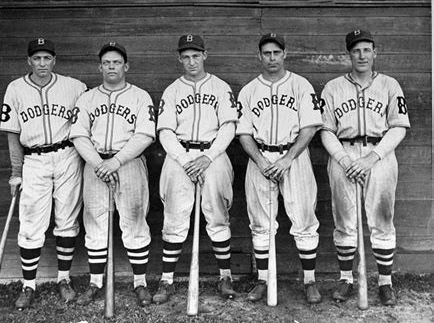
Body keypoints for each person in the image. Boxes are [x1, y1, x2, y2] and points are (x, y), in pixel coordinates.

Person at [320, 29, 410, 306]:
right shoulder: (333, 87)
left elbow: (398, 128)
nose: (362, 55)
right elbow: (325, 130)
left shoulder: (389, 85)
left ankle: (385, 282)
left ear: (375, 52)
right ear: (348, 54)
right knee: (344, 219)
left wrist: (372, 158)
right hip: (343, 153)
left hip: (379, 155)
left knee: (382, 219)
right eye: (356, 50)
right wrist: (345, 160)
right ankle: (346, 279)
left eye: (366, 49)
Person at [0, 38, 87, 309]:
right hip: (34, 159)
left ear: (54, 60)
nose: (42, 64)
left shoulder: (74, 87)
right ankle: (28, 285)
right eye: (36, 58)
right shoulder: (15, 89)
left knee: (67, 220)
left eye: (46, 58)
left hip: (67, 155)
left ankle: (63, 279)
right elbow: (13, 135)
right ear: (28, 61)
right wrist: (16, 172)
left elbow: (90, 120)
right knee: (30, 224)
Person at [236, 33, 323, 304]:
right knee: (260, 223)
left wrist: (287, 158)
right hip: (260, 158)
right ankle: (263, 279)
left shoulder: (300, 85)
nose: (272, 58)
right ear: (259, 56)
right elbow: (243, 133)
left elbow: (310, 127)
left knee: (305, 219)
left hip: (294, 158)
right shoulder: (249, 90)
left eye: (276, 52)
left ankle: (309, 281)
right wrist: (261, 161)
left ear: (285, 54)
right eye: (266, 53)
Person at [152, 34, 239, 304]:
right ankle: (166, 280)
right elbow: (164, 131)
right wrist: (184, 158)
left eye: (196, 55)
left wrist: (208, 156)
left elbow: (229, 127)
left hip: (214, 155)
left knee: (217, 216)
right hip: (179, 157)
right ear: (180, 59)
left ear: (205, 55)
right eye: (186, 56)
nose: (191, 61)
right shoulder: (172, 90)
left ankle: (225, 276)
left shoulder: (221, 87)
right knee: (175, 218)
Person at [70, 42, 155, 307]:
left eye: (116, 62)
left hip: (128, 162)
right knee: (95, 223)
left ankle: (139, 282)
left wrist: (115, 162)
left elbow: (145, 135)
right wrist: (98, 163)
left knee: (134, 221)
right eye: (106, 63)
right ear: (100, 67)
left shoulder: (140, 96)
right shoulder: (87, 98)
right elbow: (78, 135)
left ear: (126, 66)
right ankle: (95, 283)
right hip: (96, 164)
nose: (111, 67)